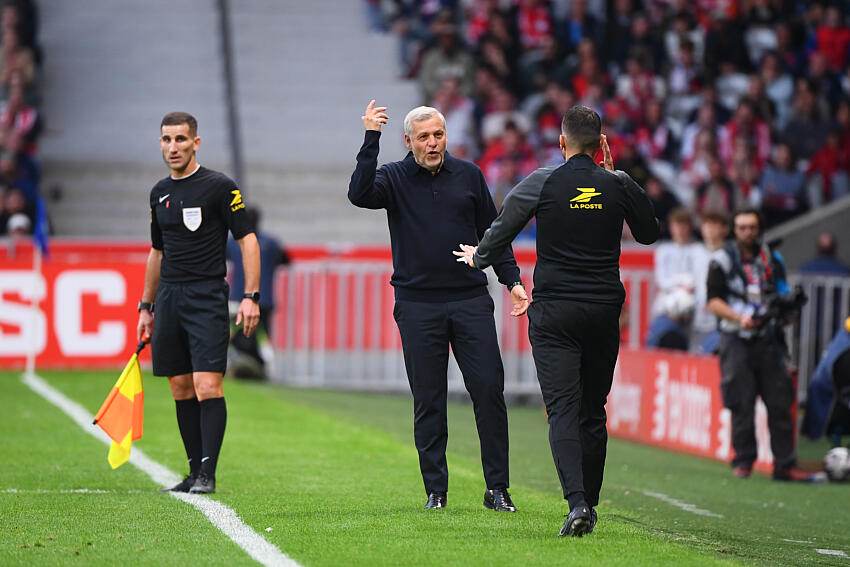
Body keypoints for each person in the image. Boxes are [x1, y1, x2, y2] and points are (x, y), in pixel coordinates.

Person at [455, 105, 659, 537]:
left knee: (563, 409)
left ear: (562, 142)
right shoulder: (617, 184)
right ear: (601, 143)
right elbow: (649, 232)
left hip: (555, 314)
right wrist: (617, 176)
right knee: (593, 411)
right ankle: (592, 503)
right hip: (604, 311)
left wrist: (481, 259)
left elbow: (500, 229)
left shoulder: (543, 181)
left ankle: (577, 504)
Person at [349, 101, 528, 512]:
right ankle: (436, 490)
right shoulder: (392, 177)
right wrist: (370, 137)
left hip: (469, 300)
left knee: (488, 390)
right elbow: (358, 194)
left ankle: (497, 488)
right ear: (408, 140)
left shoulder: (469, 174)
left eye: (439, 135)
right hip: (417, 305)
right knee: (429, 399)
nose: (433, 143)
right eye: (425, 137)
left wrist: (513, 281)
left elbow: (492, 234)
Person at [137, 112, 260, 495]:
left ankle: (208, 472)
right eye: (166, 140)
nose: (173, 147)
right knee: (180, 387)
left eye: (180, 139)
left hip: (207, 294)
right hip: (170, 297)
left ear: (196, 143)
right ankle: (193, 472)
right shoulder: (159, 193)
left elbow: (248, 241)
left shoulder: (219, 187)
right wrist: (146, 306)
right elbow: (156, 252)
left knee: (207, 384)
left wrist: (250, 296)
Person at [706, 208, 811, 482]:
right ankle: (743, 462)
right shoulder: (722, 260)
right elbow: (713, 301)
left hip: (768, 337)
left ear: (759, 228)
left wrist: (786, 311)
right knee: (741, 401)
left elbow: (782, 291)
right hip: (735, 336)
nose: (748, 233)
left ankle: (785, 464)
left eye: (752, 227)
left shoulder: (771, 258)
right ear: (734, 230)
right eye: (742, 227)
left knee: (780, 399)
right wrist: (740, 317)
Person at [226, 206, 290, 379]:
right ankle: (259, 369)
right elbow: (286, 260)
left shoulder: (234, 242)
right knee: (261, 336)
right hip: (264, 300)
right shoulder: (271, 242)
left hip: (240, 299)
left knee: (240, 336)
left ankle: (242, 367)